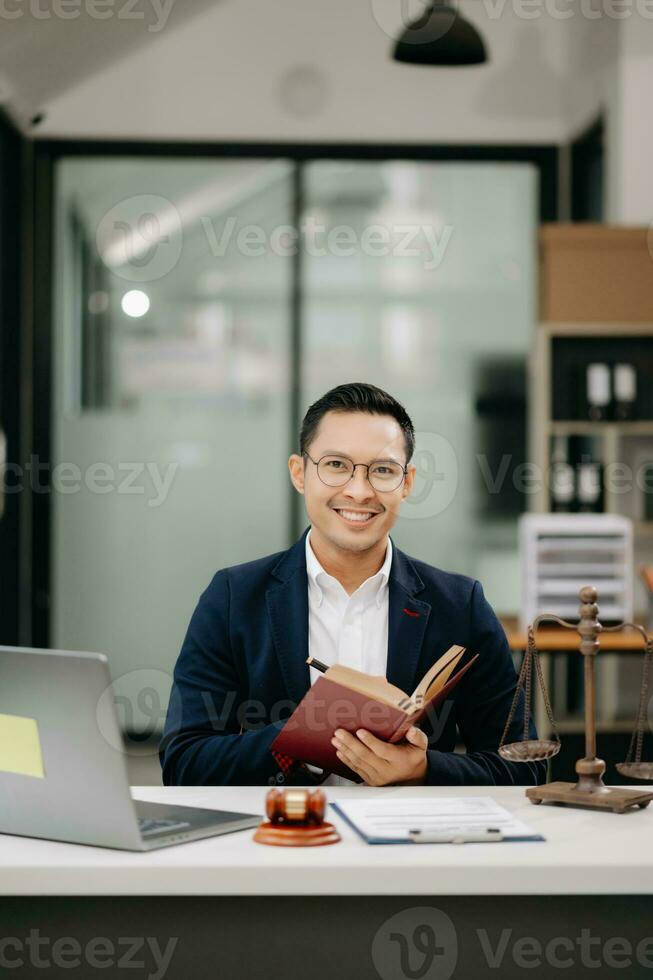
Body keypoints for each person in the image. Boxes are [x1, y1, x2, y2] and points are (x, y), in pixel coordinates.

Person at [160, 382, 545, 787]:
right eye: (336, 465)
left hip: (411, 841)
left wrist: (424, 768)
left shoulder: (460, 605)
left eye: (382, 470)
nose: (359, 491)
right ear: (299, 472)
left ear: (407, 482)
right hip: (285, 838)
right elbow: (184, 761)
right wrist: (299, 739)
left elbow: (526, 764)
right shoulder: (233, 597)